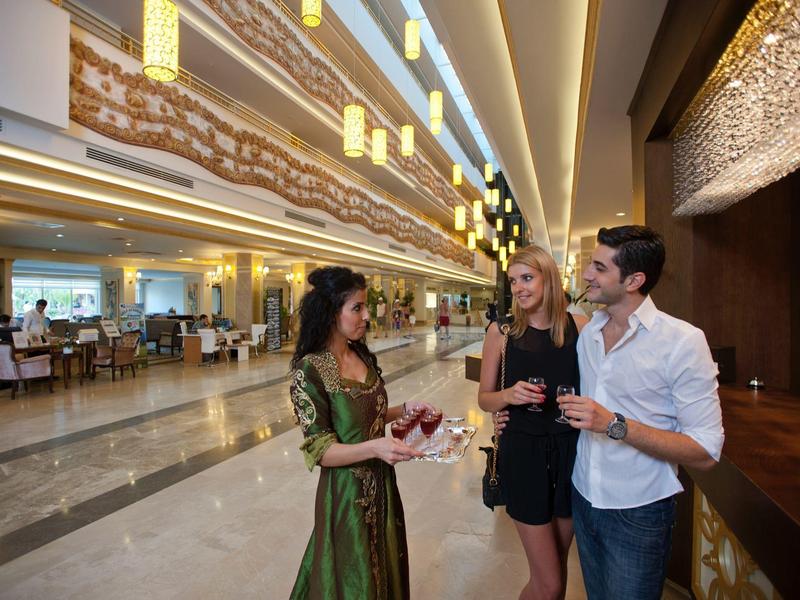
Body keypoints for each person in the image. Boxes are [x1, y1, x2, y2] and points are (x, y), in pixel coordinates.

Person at [557, 226, 724, 599]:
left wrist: (614, 424)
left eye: (599, 268)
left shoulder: (682, 341)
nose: (586, 275)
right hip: (583, 497)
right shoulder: (589, 333)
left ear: (634, 280)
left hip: (639, 510)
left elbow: (706, 450)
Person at [289, 266, 429, 600]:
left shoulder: (358, 353)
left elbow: (365, 416)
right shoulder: (310, 370)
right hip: (347, 496)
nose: (366, 315)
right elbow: (321, 450)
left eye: (365, 307)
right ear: (330, 312)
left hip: (382, 486)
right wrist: (376, 448)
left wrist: (404, 410)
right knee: (354, 576)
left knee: (383, 566)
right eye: (357, 308)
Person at [478, 245, 588, 600]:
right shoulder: (502, 332)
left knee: (556, 570)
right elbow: (485, 398)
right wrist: (508, 396)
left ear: (549, 279)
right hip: (523, 453)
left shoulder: (580, 327)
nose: (519, 288)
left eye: (527, 278)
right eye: (513, 281)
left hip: (570, 451)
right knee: (550, 582)